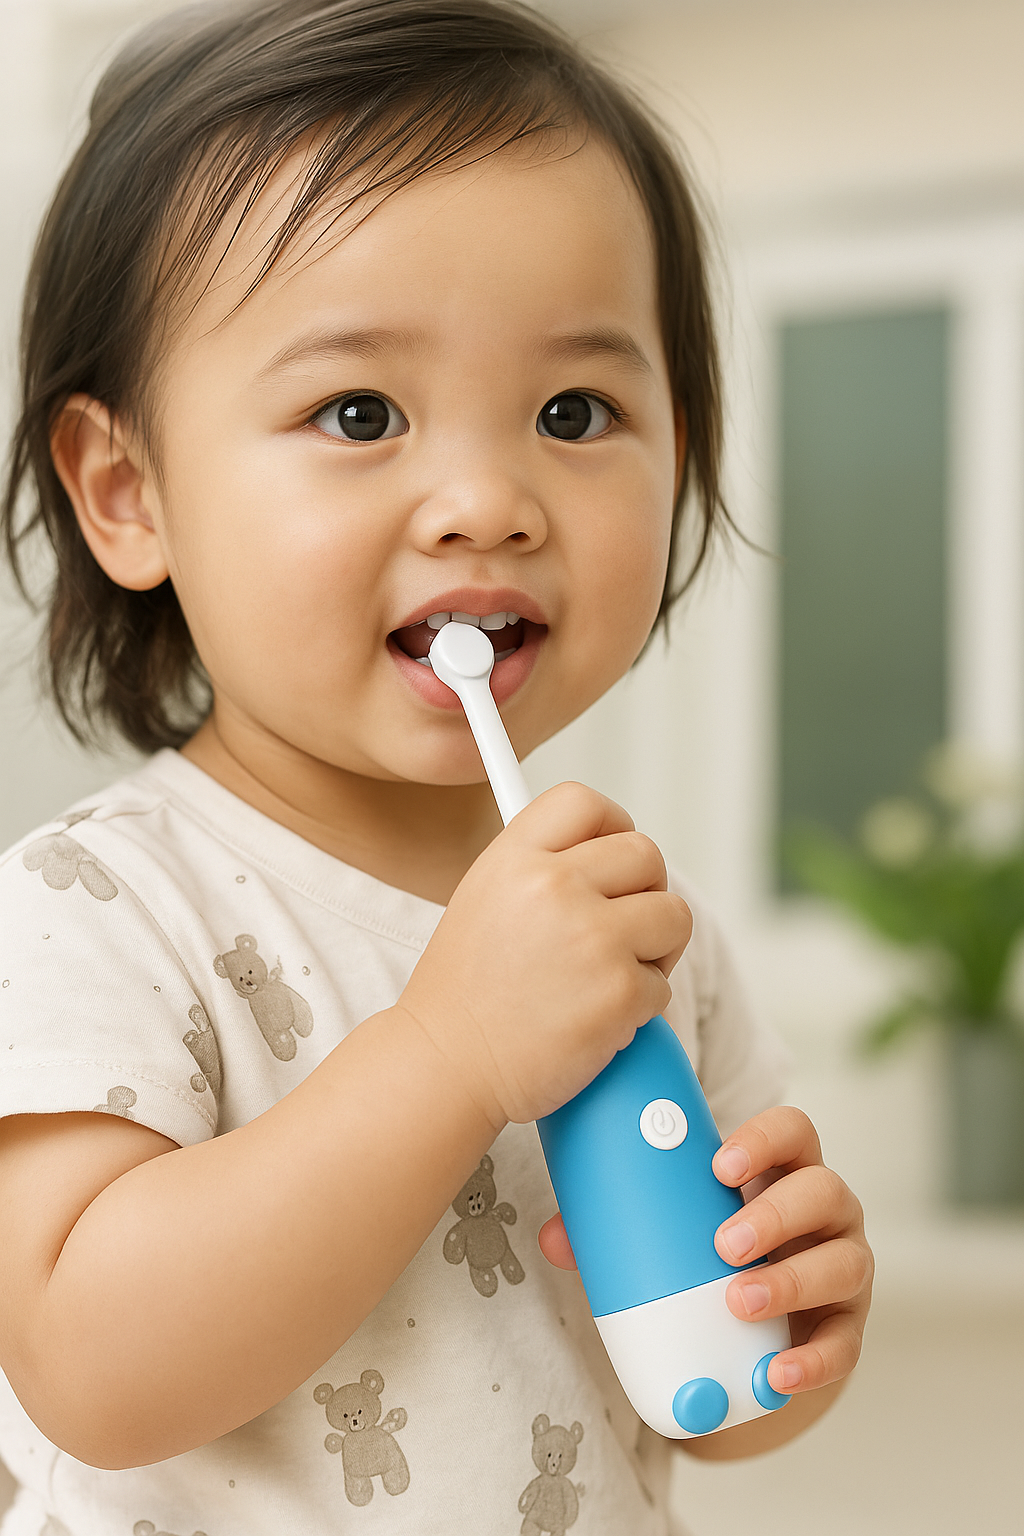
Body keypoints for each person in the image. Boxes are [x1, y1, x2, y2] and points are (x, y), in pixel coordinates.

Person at [0, 2, 873, 1531]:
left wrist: (788, 1313)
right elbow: (92, 1370)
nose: (487, 499)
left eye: (574, 411)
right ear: (128, 493)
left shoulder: (632, 933)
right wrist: (453, 1053)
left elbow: (699, 1402)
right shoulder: (90, 911)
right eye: (359, 413)